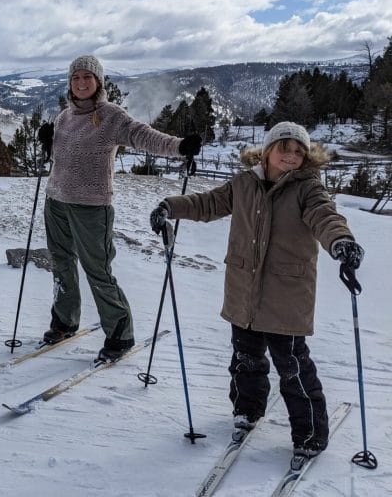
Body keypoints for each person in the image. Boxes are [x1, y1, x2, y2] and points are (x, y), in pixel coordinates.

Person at [149, 121, 364, 459]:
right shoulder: (244, 183)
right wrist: (170, 207)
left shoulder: (309, 189)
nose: (291, 156)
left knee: (293, 367)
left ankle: (310, 434)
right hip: (244, 290)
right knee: (245, 360)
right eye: (284, 148)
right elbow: (207, 204)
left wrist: (342, 242)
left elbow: (326, 218)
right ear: (267, 151)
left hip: (286, 295)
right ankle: (247, 411)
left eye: (298, 151)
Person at [37, 55, 201, 361]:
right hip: (55, 200)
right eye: (76, 78)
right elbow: (61, 155)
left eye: (88, 77)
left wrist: (179, 147)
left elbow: (143, 136)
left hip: (91, 207)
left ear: (98, 81)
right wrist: (48, 141)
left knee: (98, 271)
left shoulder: (111, 116)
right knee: (61, 264)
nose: (82, 82)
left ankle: (120, 334)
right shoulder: (64, 117)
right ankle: (65, 320)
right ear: (70, 83)